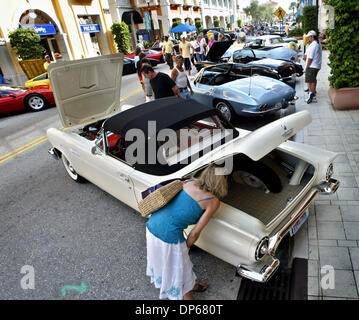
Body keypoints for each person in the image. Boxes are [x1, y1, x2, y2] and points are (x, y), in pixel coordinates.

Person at [146, 164, 228, 300]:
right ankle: (187, 293)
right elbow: (195, 234)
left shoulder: (188, 182)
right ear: (222, 181)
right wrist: (185, 248)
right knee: (180, 272)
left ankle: (191, 285)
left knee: (173, 264)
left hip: (152, 225)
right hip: (169, 236)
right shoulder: (213, 201)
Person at [304, 30, 322, 104]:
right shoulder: (317, 43)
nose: (307, 38)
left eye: (308, 37)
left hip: (312, 66)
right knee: (313, 80)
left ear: (312, 37)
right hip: (316, 65)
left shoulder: (313, 45)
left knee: (310, 81)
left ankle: (311, 96)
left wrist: (306, 67)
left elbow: (310, 58)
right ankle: (313, 95)